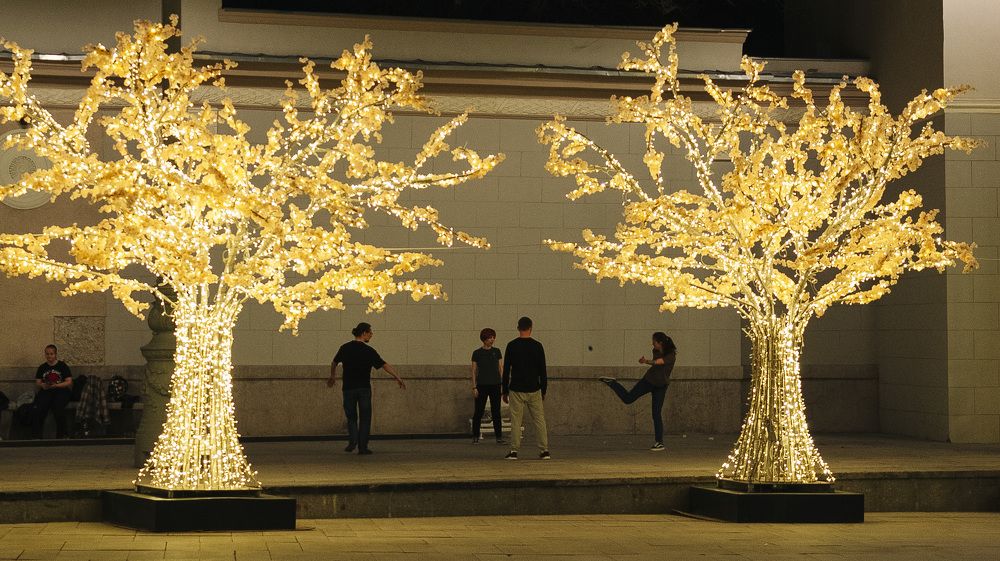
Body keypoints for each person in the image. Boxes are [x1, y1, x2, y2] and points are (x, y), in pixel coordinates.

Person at [327, 322, 405, 455]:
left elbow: (334, 362)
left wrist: (332, 376)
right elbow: (384, 365)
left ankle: (352, 442)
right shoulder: (369, 351)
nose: (371, 335)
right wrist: (397, 377)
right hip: (364, 388)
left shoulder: (345, 348)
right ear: (363, 333)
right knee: (365, 417)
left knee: (351, 416)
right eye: (370, 332)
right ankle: (362, 447)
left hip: (348, 388)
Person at [599, 332, 677, 451]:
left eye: (654, 341)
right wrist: (648, 361)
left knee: (656, 414)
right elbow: (657, 362)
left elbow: (659, 362)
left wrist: (645, 361)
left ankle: (659, 442)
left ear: (660, 343)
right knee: (628, 398)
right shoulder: (655, 351)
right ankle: (612, 383)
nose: (652, 343)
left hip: (661, 386)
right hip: (649, 381)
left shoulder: (671, 355)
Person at [501, 316, 549, 460]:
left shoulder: (512, 345)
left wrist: (504, 390)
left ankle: (514, 451)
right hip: (534, 388)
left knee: (516, 420)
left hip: (516, 388)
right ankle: (544, 450)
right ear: (531, 327)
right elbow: (543, 370)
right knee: (540, 420)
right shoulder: (538, 346)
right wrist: (543, 390)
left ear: (518, 328)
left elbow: (506, 370)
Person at [471, 327, 504, 444]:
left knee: (496, 412)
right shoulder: (477, 353)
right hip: (482, 385)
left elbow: (501, 369)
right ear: (484, 339)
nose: (492, 339)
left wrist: (503, 385)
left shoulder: (497, 351)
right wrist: (474, 387)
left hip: (495, 385)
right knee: (478, 412)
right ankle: (475, 436)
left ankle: (499, 437)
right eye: (490, 337)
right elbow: (474, 371)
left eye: (493, 337)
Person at [33, 344, 73, 439]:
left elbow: (69, 381)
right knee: (39, 408)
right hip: (46, 390)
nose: (49, 356)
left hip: (61, 390)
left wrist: (56, 385)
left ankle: (62, 435)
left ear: (55, 354)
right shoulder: (42, 367)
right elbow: (38, 382)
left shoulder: (62, 366)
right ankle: (37, 436)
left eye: (51, 354)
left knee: (58, 408)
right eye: (47, 354)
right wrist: (43, 385)